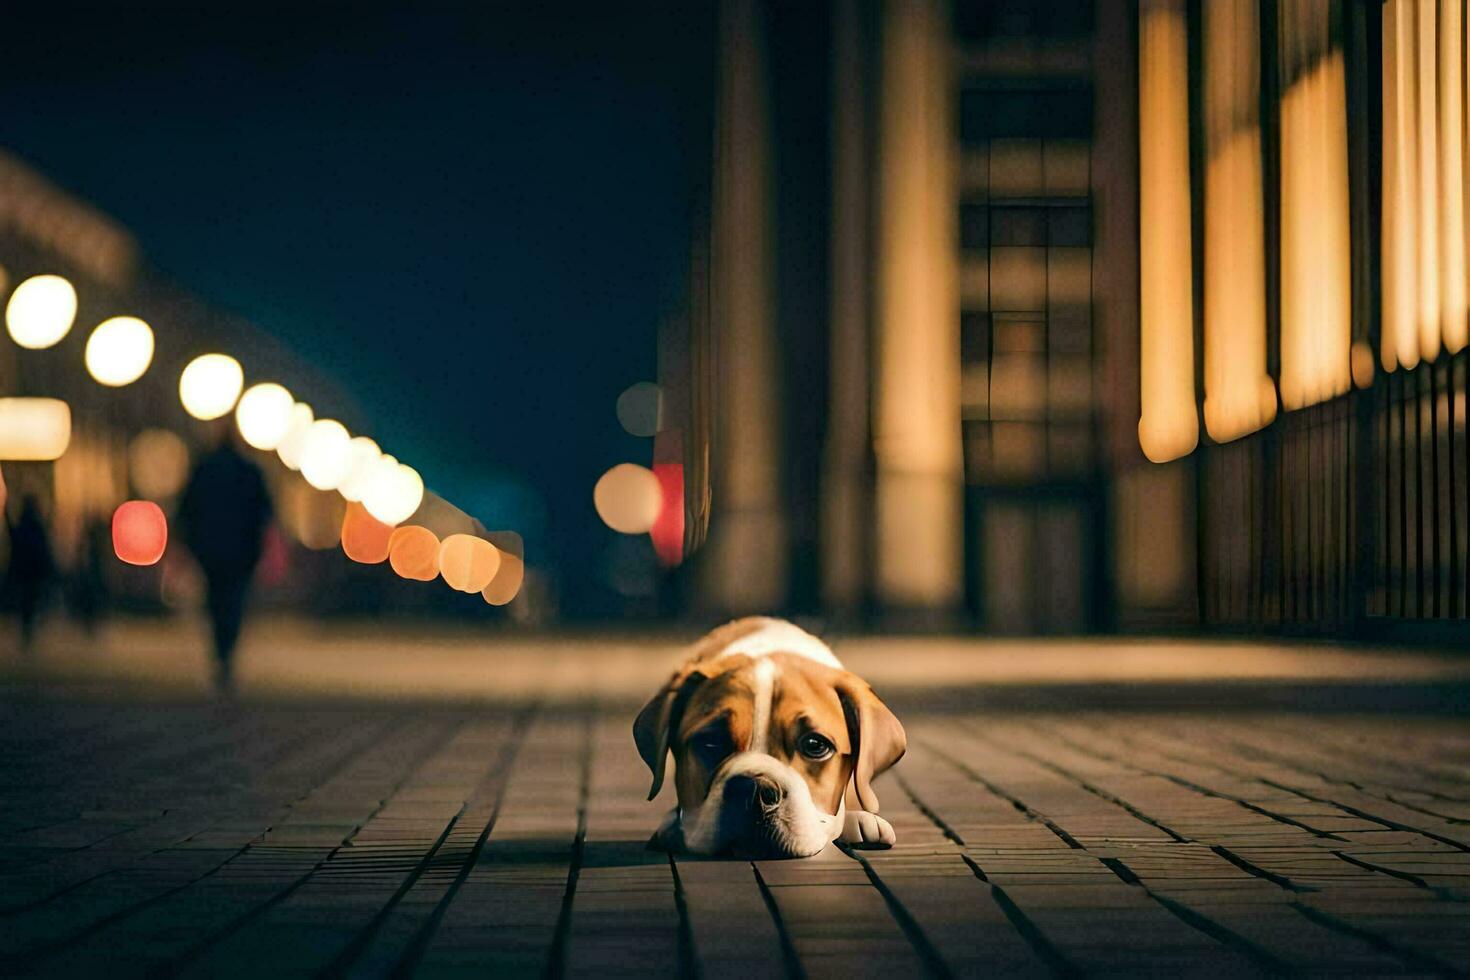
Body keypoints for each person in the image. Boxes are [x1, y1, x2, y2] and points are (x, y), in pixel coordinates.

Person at [178, 425, 273, 692]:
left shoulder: (204, 468)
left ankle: (220, 652)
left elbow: (186, 507)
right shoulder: (249, 470)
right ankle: (226, 652)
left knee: (215, 598)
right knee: (233, 601)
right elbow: (265, 512)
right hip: (241, 550)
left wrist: (190, 543)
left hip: (209, 548)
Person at [7, 494, 55, 656]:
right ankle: (28, 630)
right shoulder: (37, 526)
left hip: (25, 571)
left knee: (26, 602)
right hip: (33, 571)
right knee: (30, 601)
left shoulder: (23, 525)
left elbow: (14, 539)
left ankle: (27, 630)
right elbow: (43, 549)